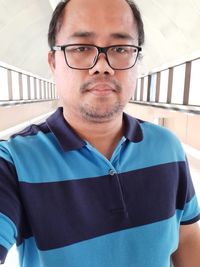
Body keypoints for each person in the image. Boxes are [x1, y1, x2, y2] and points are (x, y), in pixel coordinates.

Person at [0, 0, 200, 266]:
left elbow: (186, 237)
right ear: (53, 63)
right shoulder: (13, 161)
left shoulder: (168, 147)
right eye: (81, 47)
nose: (102, 66)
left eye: (120, 48)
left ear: (137, 60)